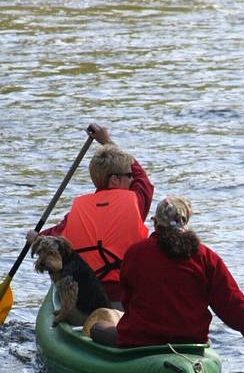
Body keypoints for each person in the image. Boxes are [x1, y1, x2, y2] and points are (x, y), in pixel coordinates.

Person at [91, 196, 244, 363]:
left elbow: (127, 299)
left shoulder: (135, 253)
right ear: (186, 222)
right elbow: (238, 311)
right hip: (189, 346)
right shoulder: (207, 258)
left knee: (97, 328)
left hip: (140, 344)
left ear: (155, 223)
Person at [27, 123, 153, 305]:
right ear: (115, 180)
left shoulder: (77, 212)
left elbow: (50, 238)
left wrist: (34, 237)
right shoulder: (136, 202)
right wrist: (106, 141)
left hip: (85, 300)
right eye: (128, 175)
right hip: (125, 299)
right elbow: (141, 176)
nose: (132, 178)